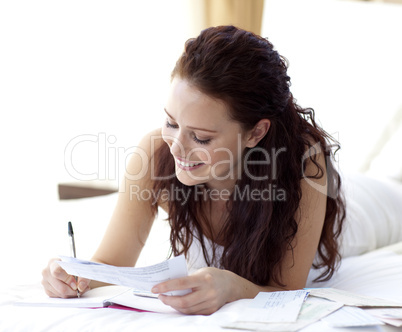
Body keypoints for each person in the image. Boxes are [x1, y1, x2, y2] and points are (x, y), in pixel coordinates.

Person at [42, 25, 346, 315]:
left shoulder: (304, 161)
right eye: (171, 123)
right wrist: (72, 274)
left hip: (359, 213)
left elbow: (289, 290)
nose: (176, 148)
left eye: (201, 137)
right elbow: (111, 262)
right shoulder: (155, 153)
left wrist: (232, 286)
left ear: (255, 133)